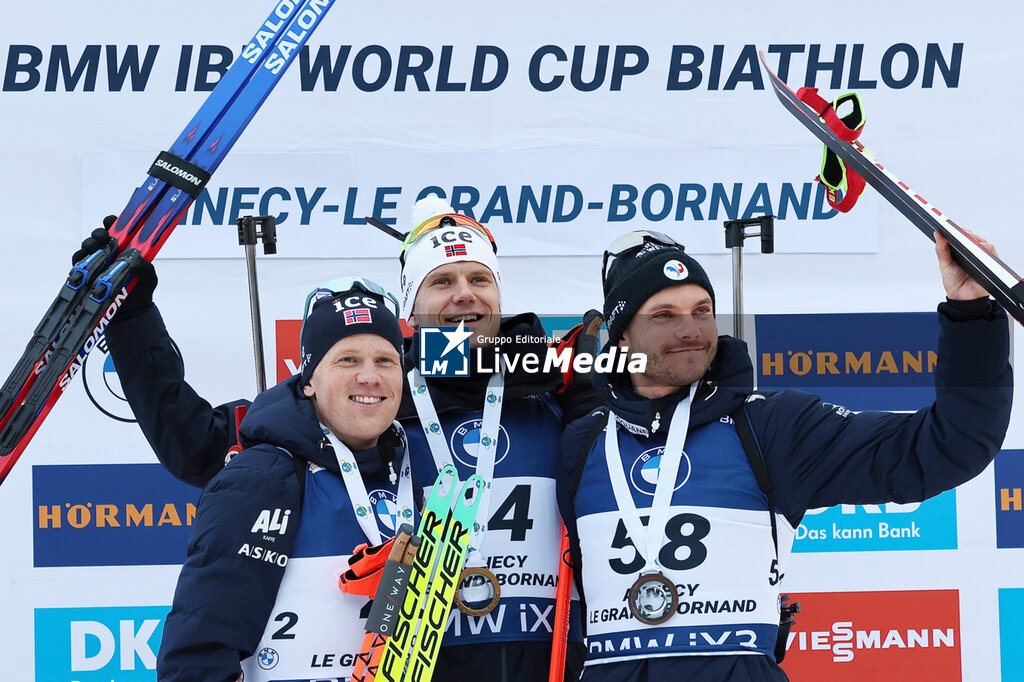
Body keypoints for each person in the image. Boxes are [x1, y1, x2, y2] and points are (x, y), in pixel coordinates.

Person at [94, 198, 599, 680]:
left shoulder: (557, 391)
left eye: (479, 278)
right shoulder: (374, 398)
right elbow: (195, 442)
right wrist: (132, 316)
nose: (464, 295)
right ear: (412, 307)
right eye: (441, 281)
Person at [555, 230, 1013, 681]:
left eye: (702, 310)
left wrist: (971, 313)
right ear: (622, 337)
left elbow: (945, 445)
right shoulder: (583, 443)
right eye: (663, 315)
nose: (690, 329)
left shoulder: (772, 425)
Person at [156, 279, 416, 681]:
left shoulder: (417, 468)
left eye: (385, 360)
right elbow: (198, 654)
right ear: (308, 379)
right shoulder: (262, 478)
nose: (370, 376)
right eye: (348, 360)